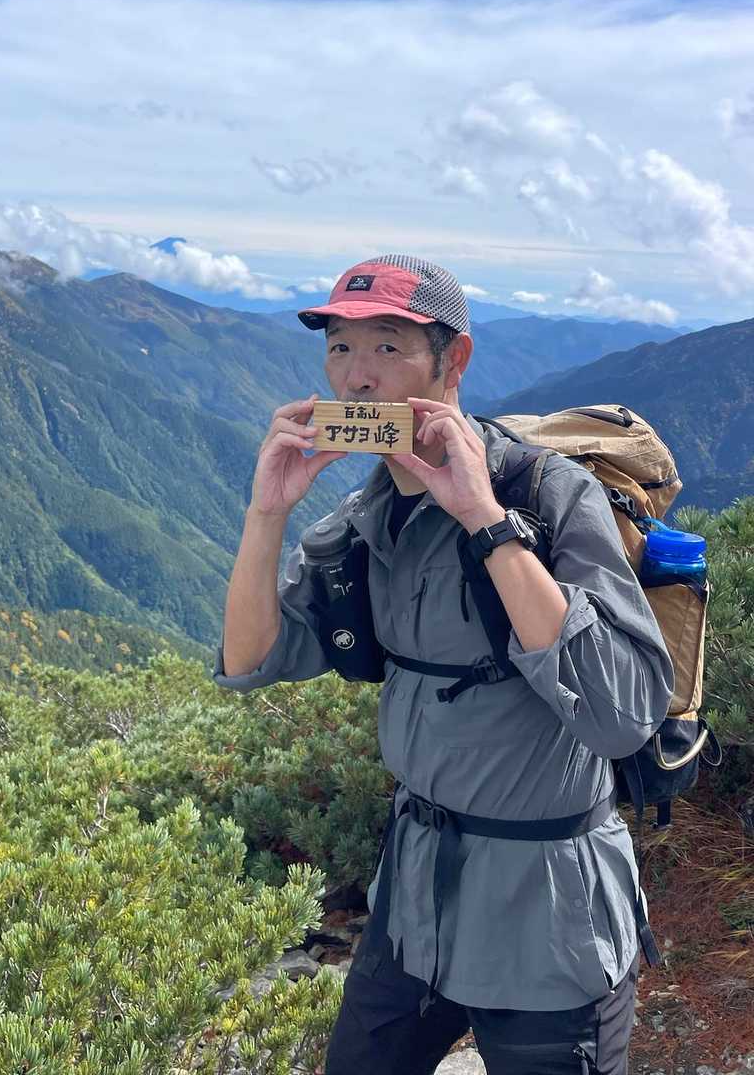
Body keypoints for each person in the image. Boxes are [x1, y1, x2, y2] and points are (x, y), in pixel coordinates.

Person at [212, 254, 674, 1075]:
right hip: (413, 905)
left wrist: (483, 520)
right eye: (340, 349)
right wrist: (266, 512)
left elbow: (622, 715)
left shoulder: (549, 495)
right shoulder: (366, 518)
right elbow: (250, 659)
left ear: (452, 360)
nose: (357, 378)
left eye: (387, 348)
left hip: (548, 919)